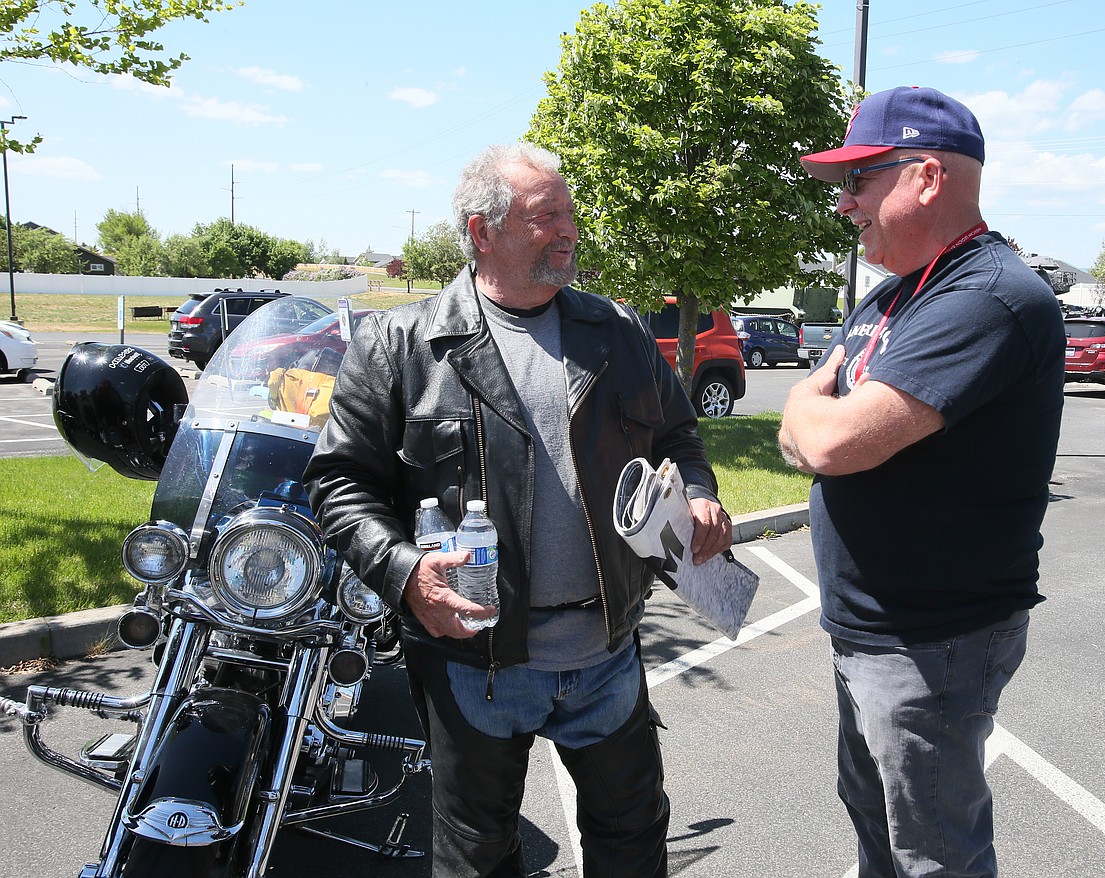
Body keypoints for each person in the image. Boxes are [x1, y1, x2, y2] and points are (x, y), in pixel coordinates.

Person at [304, 142, 733, 878]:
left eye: (569, 212)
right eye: (546, 216)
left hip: (605, 651)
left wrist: (698, 491)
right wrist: (404, 573)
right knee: (477, 859)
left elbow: (678, 433)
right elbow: (340, 483)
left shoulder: (617, 331)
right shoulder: (403, 344)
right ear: (482, 232)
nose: (568, 229)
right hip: (475, 659)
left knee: (632, 846)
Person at [778, 86, 1065, 877]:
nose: (844, 204)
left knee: (933, 853)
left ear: (927, 177)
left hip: (930, 639)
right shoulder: (896, 294)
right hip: (873, 629)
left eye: (860, 179)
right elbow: (811, 431)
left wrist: (811, 415)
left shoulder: (987, 297)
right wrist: (812, 424)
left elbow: (827, 436)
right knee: (877, 823)